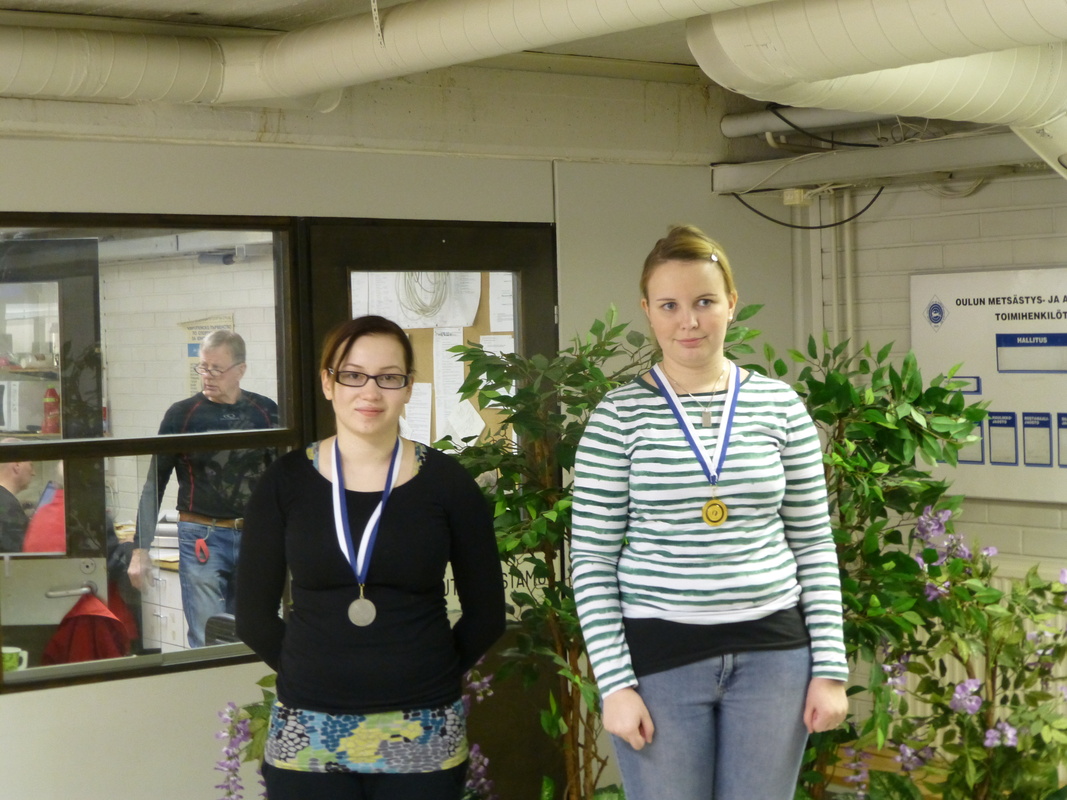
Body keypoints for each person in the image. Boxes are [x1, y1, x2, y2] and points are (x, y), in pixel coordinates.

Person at [570, 225, 848, 800]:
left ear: (731, 304)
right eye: (669, 305)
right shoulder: (617, 417)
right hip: (660, 662)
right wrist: (615, 685)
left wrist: (830, 669)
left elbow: (814, 544)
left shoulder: (780, 406)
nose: (689, 321)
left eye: (704, 301)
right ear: (648, 311)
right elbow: (592, 561)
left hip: (775, 658)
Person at [235, 315, 505, 800]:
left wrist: (430, 672)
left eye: (389, 377)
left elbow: (487, 614)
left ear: (408, 387)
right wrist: (309, 671)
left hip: (423, 726)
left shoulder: (448, 484)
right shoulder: (285, 483)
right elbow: (253, 617)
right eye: (353, 375)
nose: (371, 391)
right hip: (309, 728)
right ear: (328, 383)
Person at [130, 329, 278, 648]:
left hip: (255, 535)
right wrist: (140, 549)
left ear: (240, 370)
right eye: (203, 367)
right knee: (206, 635)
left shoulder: (265, 412)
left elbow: (283, 481)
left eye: (216, 369)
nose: (207, 376)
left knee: (256, 633)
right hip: (201, 535)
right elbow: (155, 482)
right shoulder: (182, 415)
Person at [0, 441, 34, 552]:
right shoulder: (9, 507)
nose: (33, 473)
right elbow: (17, 557)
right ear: (17, 466)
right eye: (31, 465)